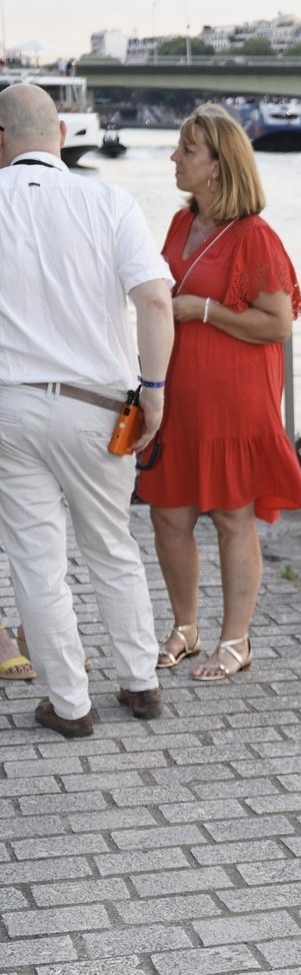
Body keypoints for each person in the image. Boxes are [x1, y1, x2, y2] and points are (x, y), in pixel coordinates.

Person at [0, 83, 172, 738]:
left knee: (36, 559)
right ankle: (140, 680)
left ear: (0, 140)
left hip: (11, 407)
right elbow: (154, 300)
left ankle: (69, 704)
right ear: (62, 135)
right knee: (112, 544)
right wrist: (153, 388)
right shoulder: (109, 201)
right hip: (99, 408)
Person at [139, 104, 301, 681]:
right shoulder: (180, 224)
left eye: (187, 150)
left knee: (232, 518)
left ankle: (235, 640)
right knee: (167, 516)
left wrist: (204, 311)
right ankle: (185, 628)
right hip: (178, 397)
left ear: (217, 165)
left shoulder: (255, 237)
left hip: (234, 403)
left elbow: (279, 324)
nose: (175, 158)